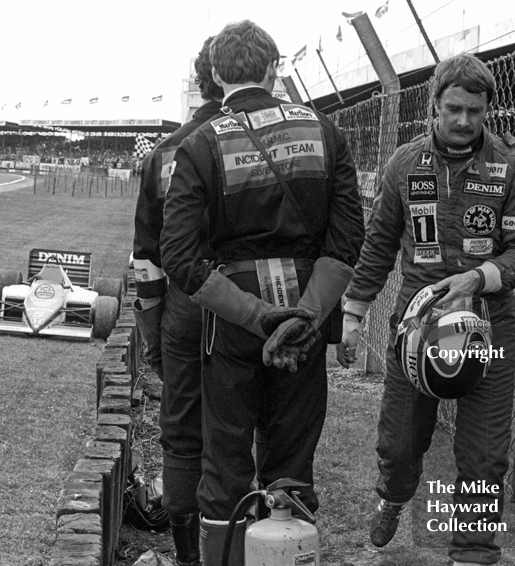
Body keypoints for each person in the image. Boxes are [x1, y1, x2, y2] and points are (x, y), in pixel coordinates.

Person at [160, 19, 363, 563]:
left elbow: (178, 258)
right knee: (292, 461)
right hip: (308, 306)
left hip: (231, 315)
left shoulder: (200, 143)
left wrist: (259, 319)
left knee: (225, 464)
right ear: (275, 69)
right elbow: (347, 242)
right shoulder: (325, 131)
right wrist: (303, 318)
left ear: (216, 74)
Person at [337, 54, 515, 565]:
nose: (463, 121)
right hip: (417, 326)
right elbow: (379, 244)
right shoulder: (405, 164)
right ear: (433, 105)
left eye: (475, 111)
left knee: (484, 457)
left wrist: (478, 277)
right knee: (402, 443)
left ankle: (471, 553)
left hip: (487, 328)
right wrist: (352, 315)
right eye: (453, 109)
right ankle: (393, 496)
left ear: (488, 110)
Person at [131, 36, 225, 566]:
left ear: (201, 81)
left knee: (183, 432)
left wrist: (153, 336)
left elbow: (145, 258)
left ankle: (190, 557)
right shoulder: (263, 139)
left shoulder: (168, 151)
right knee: (250, 428)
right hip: (255, 302)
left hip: (184, 307)